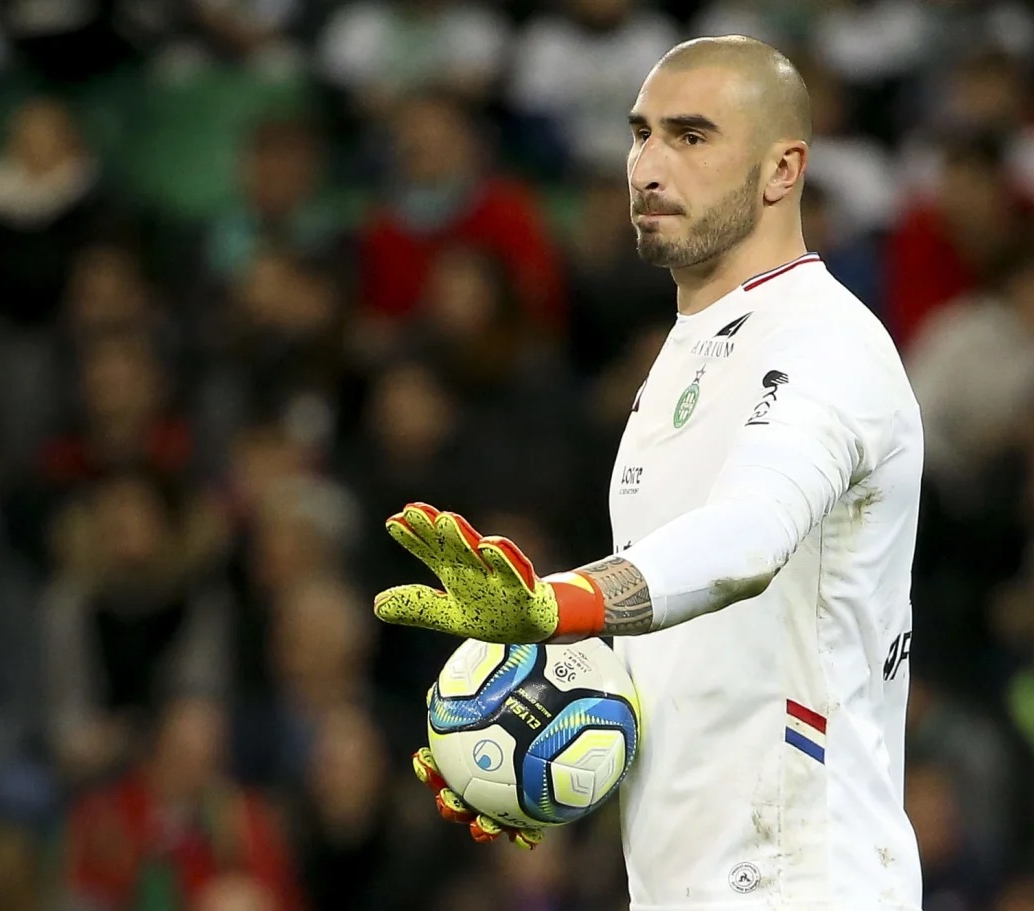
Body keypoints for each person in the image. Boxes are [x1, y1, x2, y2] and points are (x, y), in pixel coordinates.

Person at [371, 35, 923, 910]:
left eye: (692, 136)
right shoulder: (685, 354)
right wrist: (522, 740)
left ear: (783, 170)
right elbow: (692, 649)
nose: (649, 167)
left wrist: (558, 604)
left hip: (802, 878)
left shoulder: (824, 342)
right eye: (642, 134)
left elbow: (748, 537)